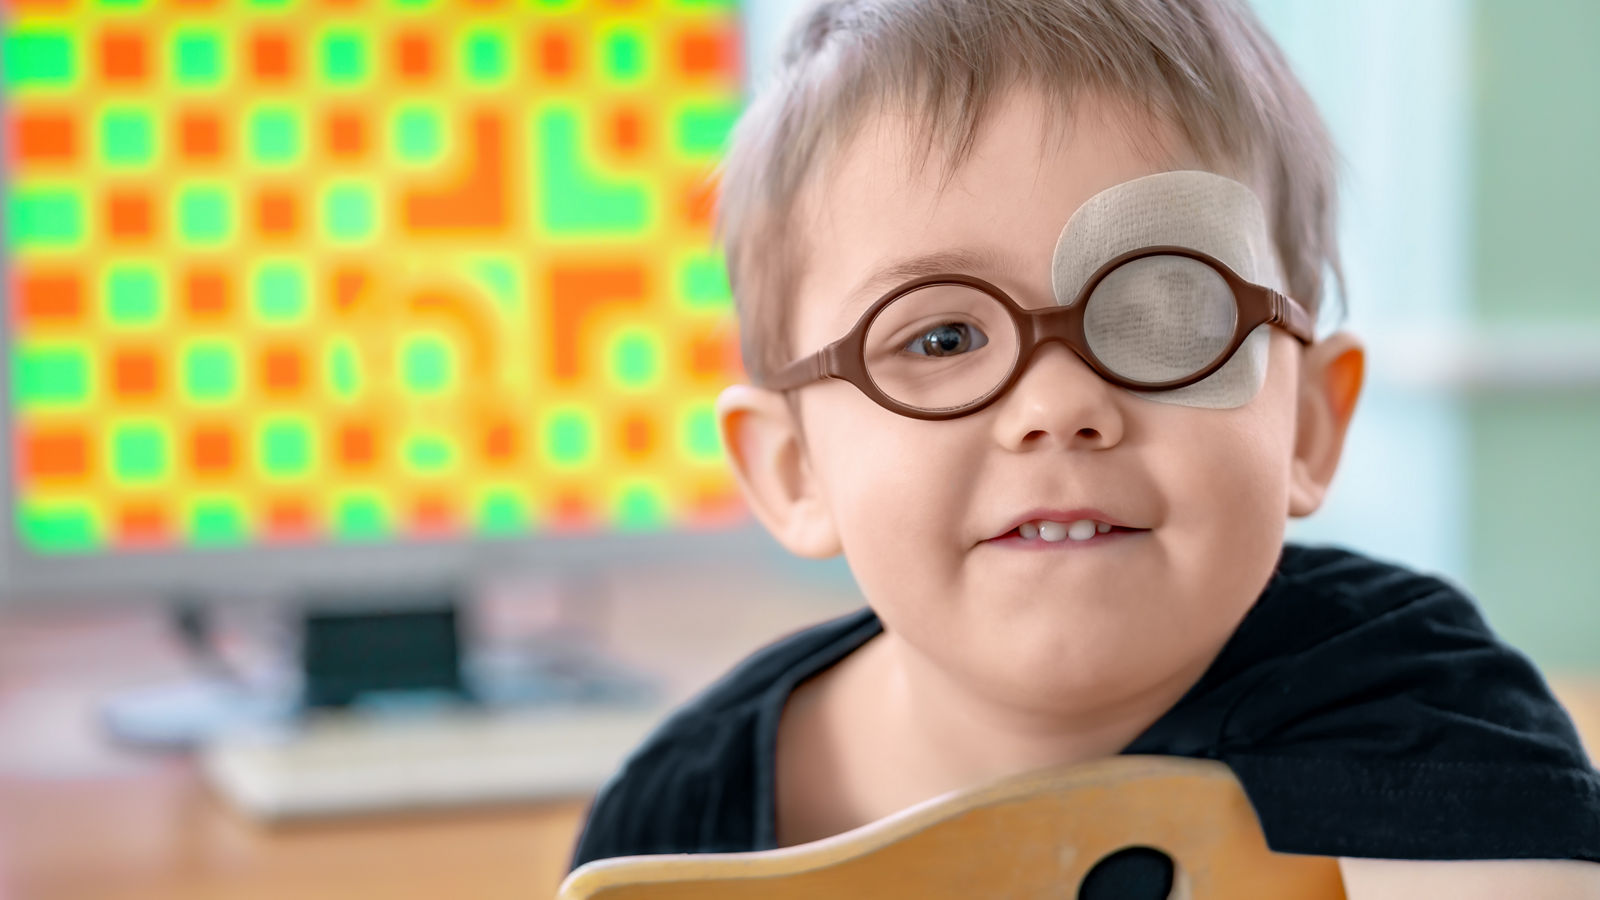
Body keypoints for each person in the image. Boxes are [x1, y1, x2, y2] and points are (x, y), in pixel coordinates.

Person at [568, 0, 1600, 892]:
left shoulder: (1418, 719)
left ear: (1309, 425)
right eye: (940, 337)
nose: (1058, 404)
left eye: (1163, 314)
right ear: (792, 470)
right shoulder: (678, 825)